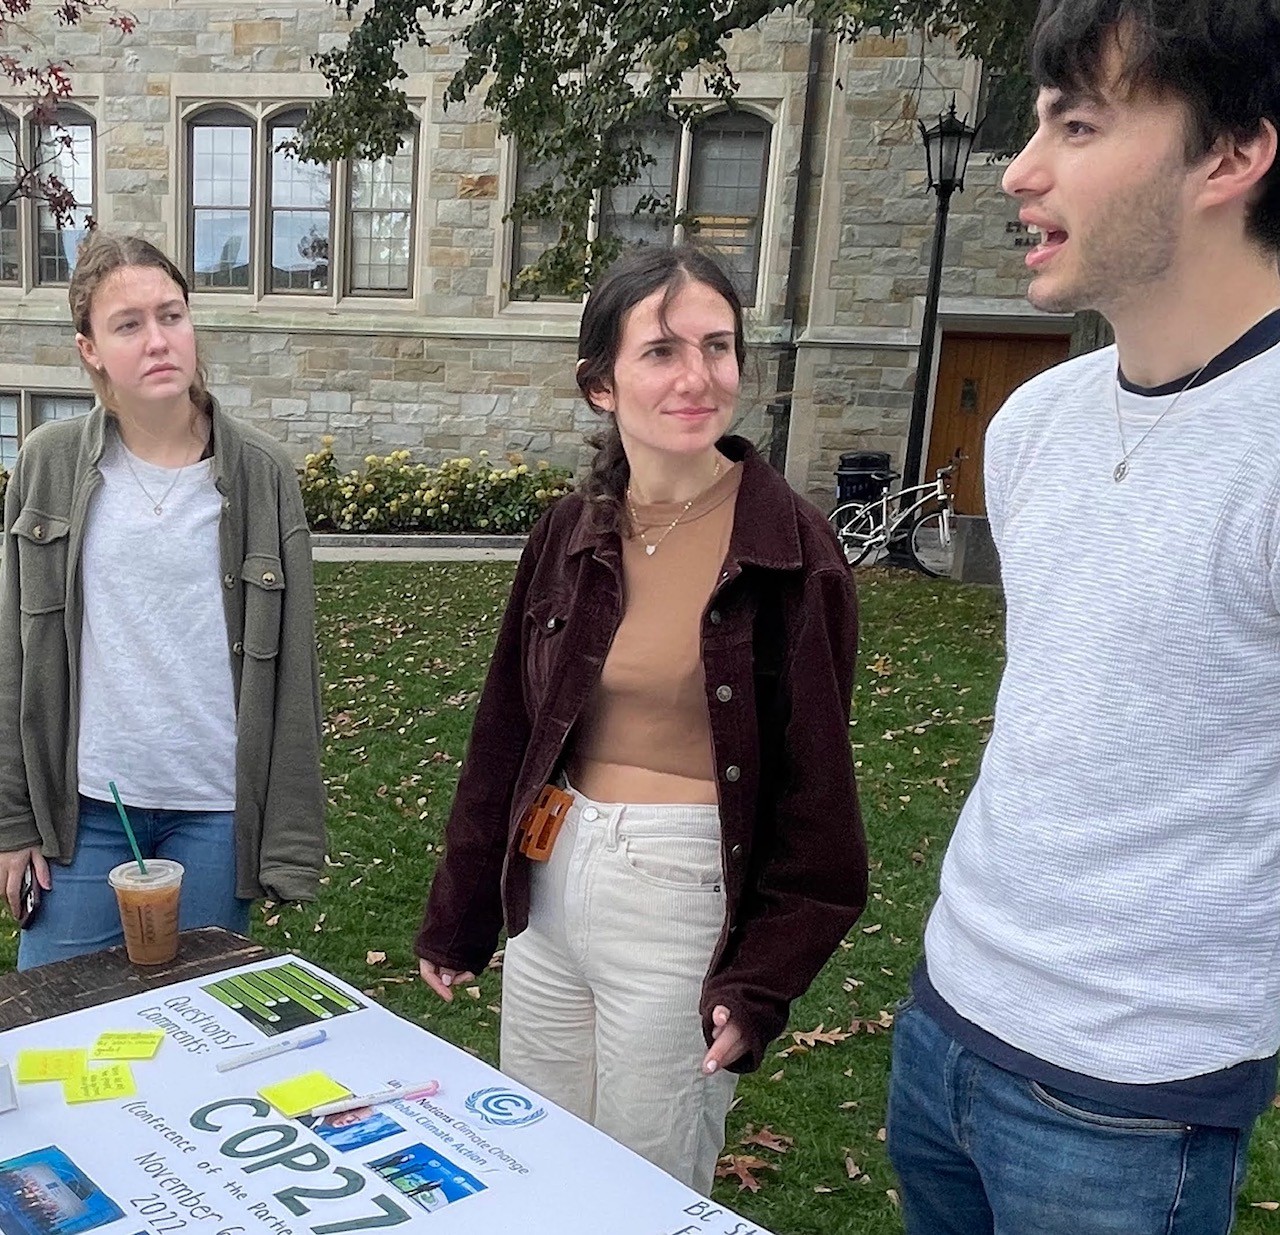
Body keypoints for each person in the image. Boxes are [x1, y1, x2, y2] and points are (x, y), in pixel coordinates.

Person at [886, 1, 1280, 1230]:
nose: (1019, 167)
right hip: (944, 1017)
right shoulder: (1028, 424)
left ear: (1227, 155)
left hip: (1134, 1094)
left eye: (1076, 123)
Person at [414, 244, 866, 1192]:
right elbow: (507, 727)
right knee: (528, 1158)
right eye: (661, 351)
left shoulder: (789, 550)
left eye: (718, 346)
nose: (698, 377)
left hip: (681, 890)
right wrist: (460, 913)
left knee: (642, 1186)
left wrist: (760, 980)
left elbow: (817, 794)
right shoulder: (570, 531)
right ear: (601, 386)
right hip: (550, 873)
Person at [0, 231, 326, 970]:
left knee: (195, 1033)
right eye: (128, 324)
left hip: (214, 811)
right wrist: (12, 819)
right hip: (85, 814)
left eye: (171, 315)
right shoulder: (48, 465)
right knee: (58, 1027)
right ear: (90, 348)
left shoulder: (265, 476)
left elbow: (295, 674)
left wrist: (290, 845)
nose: (158, 340)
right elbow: (14, 655)